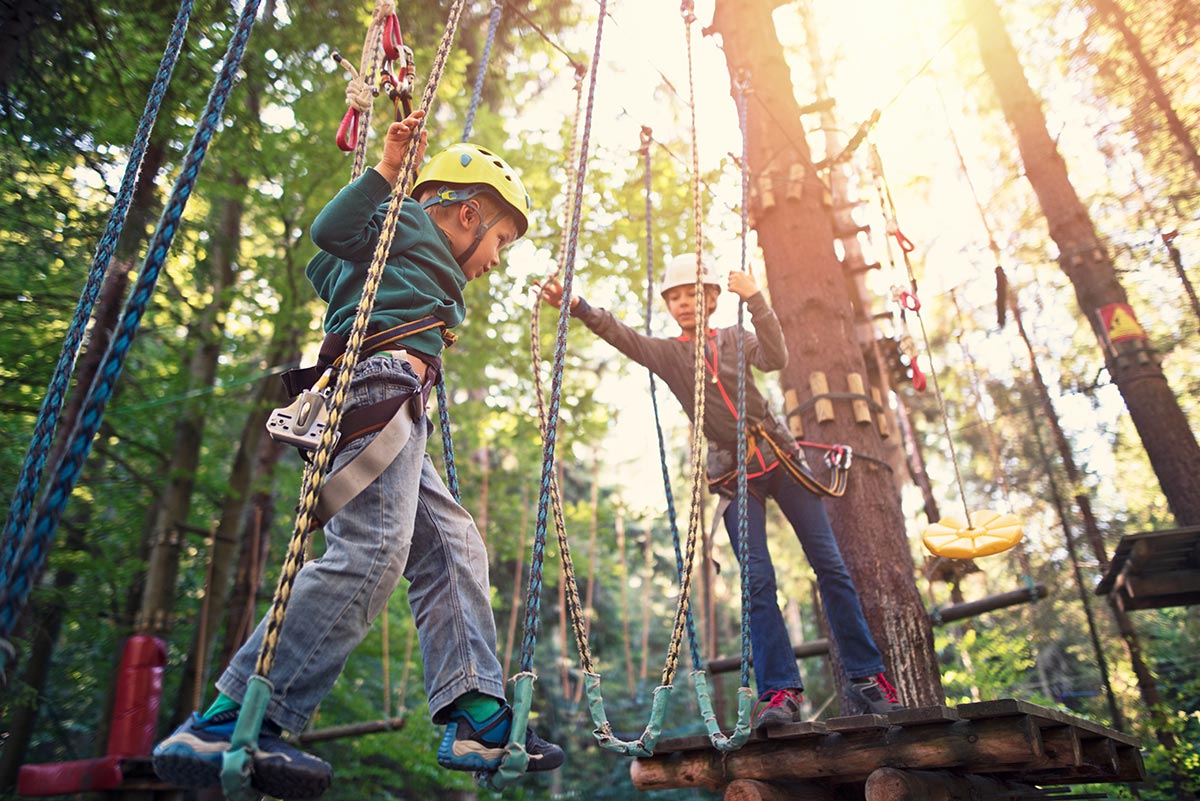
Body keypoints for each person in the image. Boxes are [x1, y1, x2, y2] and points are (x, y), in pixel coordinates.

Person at [152, 110, 564, 801]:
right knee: (370, 553)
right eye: (499, 241)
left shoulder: (409, 257)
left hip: (397, 401)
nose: (496, 261)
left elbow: (337, 261)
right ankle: (229, 719)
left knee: (453, 543)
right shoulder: (400, 223)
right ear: (466, 215)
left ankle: (472, 708)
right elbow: (331, 233)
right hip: (376, 387)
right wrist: (388, 169)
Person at [538, 253, 903, 729]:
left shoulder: (736, 338)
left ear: (712, 298)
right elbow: (621, 335)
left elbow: (776, 358)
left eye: (693, 294)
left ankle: (868, 678)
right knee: (757, 583)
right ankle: (780, 693)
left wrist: (754, 299)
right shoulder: (668, 354)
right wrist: (579, 304)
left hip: (780, 458)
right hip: (734, 474)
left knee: (830, 567)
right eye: (676, 297)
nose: (685, 303)